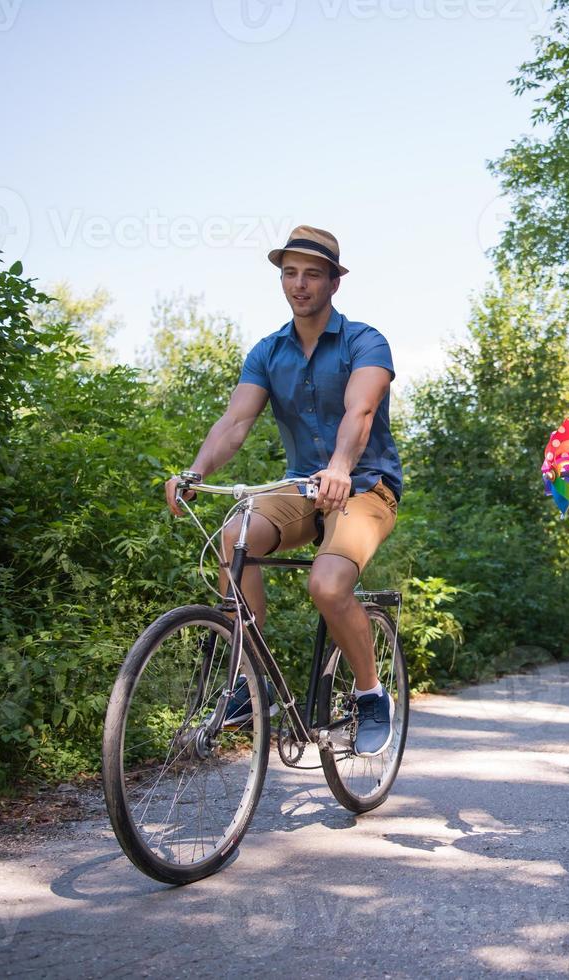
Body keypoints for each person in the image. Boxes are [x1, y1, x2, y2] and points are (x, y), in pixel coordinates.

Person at [163, 225, 402, 756]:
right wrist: (195, 472)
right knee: (235, 534)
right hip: (299, 491)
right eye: (290, 273)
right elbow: (234, 424)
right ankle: (250, 686)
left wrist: (341, 465)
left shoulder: (366, 342)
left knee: (327, 585)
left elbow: (360, 413)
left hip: (364, 486)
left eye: (312, 274)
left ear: (334, 282)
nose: (299, 284)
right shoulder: (269, 352)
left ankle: (369, 693)